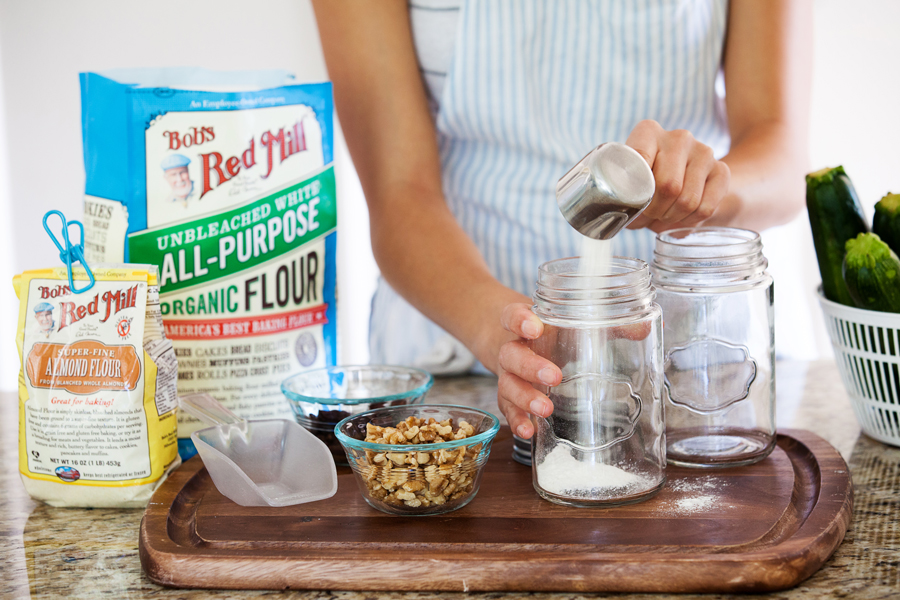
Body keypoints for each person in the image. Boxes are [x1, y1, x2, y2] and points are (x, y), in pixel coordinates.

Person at [312, 0, 812, 439]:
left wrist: (707, 189)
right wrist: (494, 326)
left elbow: (782, 162)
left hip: (697, 363)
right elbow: (399, 192)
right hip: (462, 348)